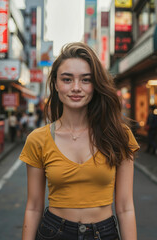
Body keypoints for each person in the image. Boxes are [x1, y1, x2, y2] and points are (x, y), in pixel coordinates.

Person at [20, 42, 140, 240]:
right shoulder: (38, 139)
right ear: (56, 84)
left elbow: (126, 207)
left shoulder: (119, 135)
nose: (76, 88)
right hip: (53, 232)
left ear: (95, 85)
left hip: (105, 233)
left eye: (86, 80)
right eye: (67, 79)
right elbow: (33, 207)